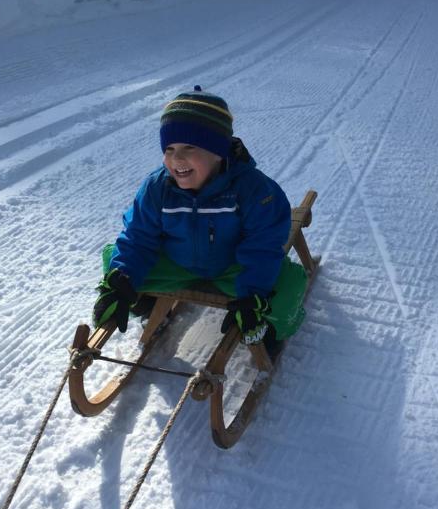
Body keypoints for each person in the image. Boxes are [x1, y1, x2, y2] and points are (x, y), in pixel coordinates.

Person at [92, 87, 308, 359]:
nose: (176, 158)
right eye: (169, 149)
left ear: (218, 151)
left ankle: (270, 332)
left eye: (189, 147)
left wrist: (253, 294)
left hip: (232, 267)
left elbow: (263, 247)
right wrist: (121, 279)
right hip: (177, 263)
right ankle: (142, 301)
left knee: (289, 283)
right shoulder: (157, 188)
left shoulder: (254, 190)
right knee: (114, 258)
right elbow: (138, 237)